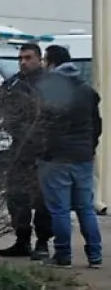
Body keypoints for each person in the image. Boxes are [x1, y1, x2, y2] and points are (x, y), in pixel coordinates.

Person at [35, 45, 103, 269]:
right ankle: (95, 256)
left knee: (60, 210)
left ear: (52, 62)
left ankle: (63, 256)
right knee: (85, 207)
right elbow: (96, 125)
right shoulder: (86, 89)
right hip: (83, 156)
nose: (43, 65)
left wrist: (44, 151)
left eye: (45, 60)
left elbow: (43, 124)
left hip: (56, 158)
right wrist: (89, 147)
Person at [0, 43, 53, 261]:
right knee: (16, 197)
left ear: (39, 59)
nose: (23, 62)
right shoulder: (15, 83)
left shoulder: (49, 84)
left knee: (42, 200)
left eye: (28, 58)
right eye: (20, 58)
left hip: (43, 150)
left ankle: (42, 242)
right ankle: (22, 240)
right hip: (19, 149)